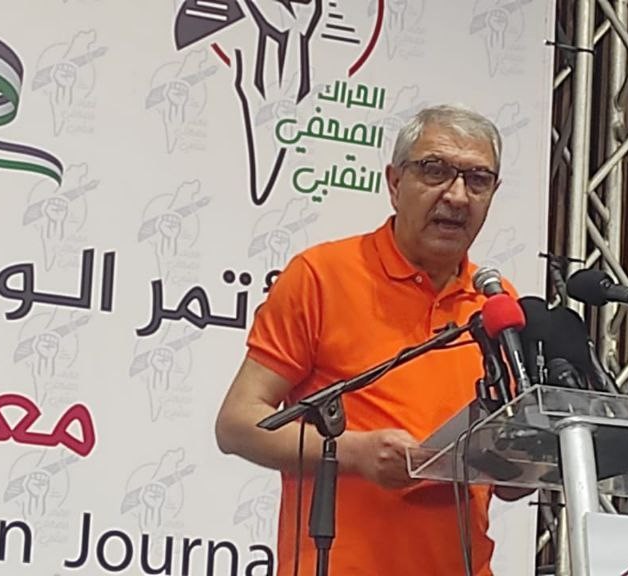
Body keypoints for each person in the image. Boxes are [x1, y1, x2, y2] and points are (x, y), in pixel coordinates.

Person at [215, 104, 524, 576]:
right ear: (394, 183)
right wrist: (355, 453)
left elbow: (511, 483)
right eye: (435, 170)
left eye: (478, 179)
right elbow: (237, 424)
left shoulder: (497, 305)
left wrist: (534, 460)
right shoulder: (322, 276)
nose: (458, 195)